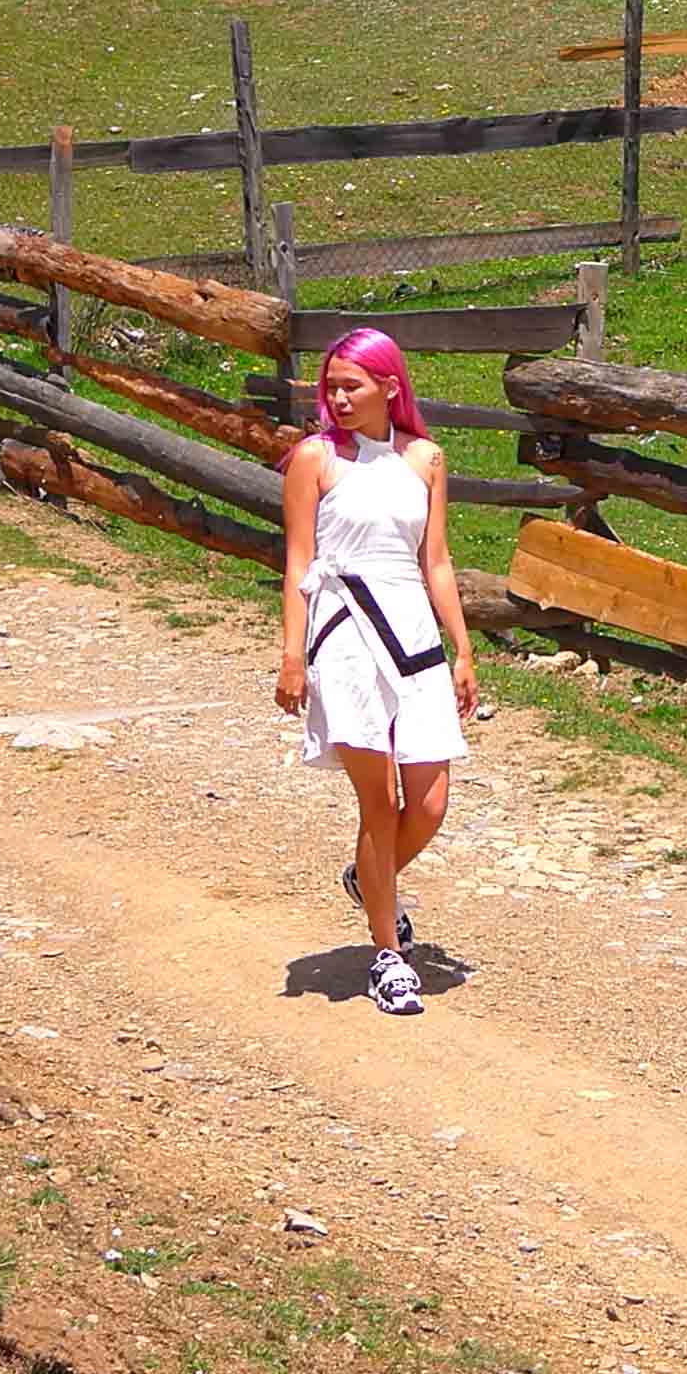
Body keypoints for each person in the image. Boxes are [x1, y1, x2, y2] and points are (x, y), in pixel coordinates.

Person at [276, 327, 486, 1015]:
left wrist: (464, 649)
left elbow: (438, 562)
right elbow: (299, 562)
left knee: (428, 803)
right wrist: (291, 654)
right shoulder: (314, 461)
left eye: (350, 385)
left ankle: (372, 879)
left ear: (390, 388)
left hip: (415, 637)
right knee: (379, 802)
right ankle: (386, 956)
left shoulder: (425, 459)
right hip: (343, 636)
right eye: (330, 386)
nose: (336, 397)